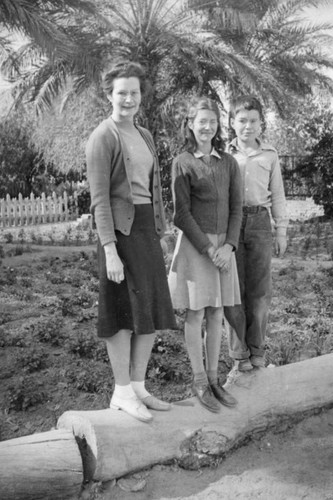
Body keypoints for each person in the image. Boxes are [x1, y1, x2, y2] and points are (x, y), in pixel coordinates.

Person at [86, 62, 176, 423]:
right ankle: (121, 392)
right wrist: (109, 250)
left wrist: (161, 230)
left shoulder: (145, 135)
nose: (128, 99)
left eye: (134, 92)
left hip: (144, 231)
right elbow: (99, 199)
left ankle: (138, 386)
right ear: (109, 94)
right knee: (122, 315)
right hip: (119, 236)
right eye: (121, 92)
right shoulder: (102, 137)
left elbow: (152, 191)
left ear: (141, 96)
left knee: (150, 313)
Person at [168, 97, 242, 413]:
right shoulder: (182, 162)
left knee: (216, 314)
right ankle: (198, 380)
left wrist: (228, 247)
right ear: (190, 124)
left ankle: (214, 380)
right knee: (196, 314)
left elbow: (237, 208)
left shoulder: (229, 163)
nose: (207, 126)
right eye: (201, 121)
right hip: (196, 248)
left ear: (218, 125)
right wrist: (209, 248)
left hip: (224, 250)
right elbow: (181, 214)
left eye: (212, 121)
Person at [224, 95, 288, 373]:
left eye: (253, 121)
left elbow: (278, 195)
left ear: (261, 124)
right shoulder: (224, 155)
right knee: (233, 290)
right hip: (231, 225)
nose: (247, 126)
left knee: (259, 292)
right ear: (231, 123)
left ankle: (258, 350)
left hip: (260, 223)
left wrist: (281, 230)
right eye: (242, 121)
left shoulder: (270, 155)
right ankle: (239, 354)